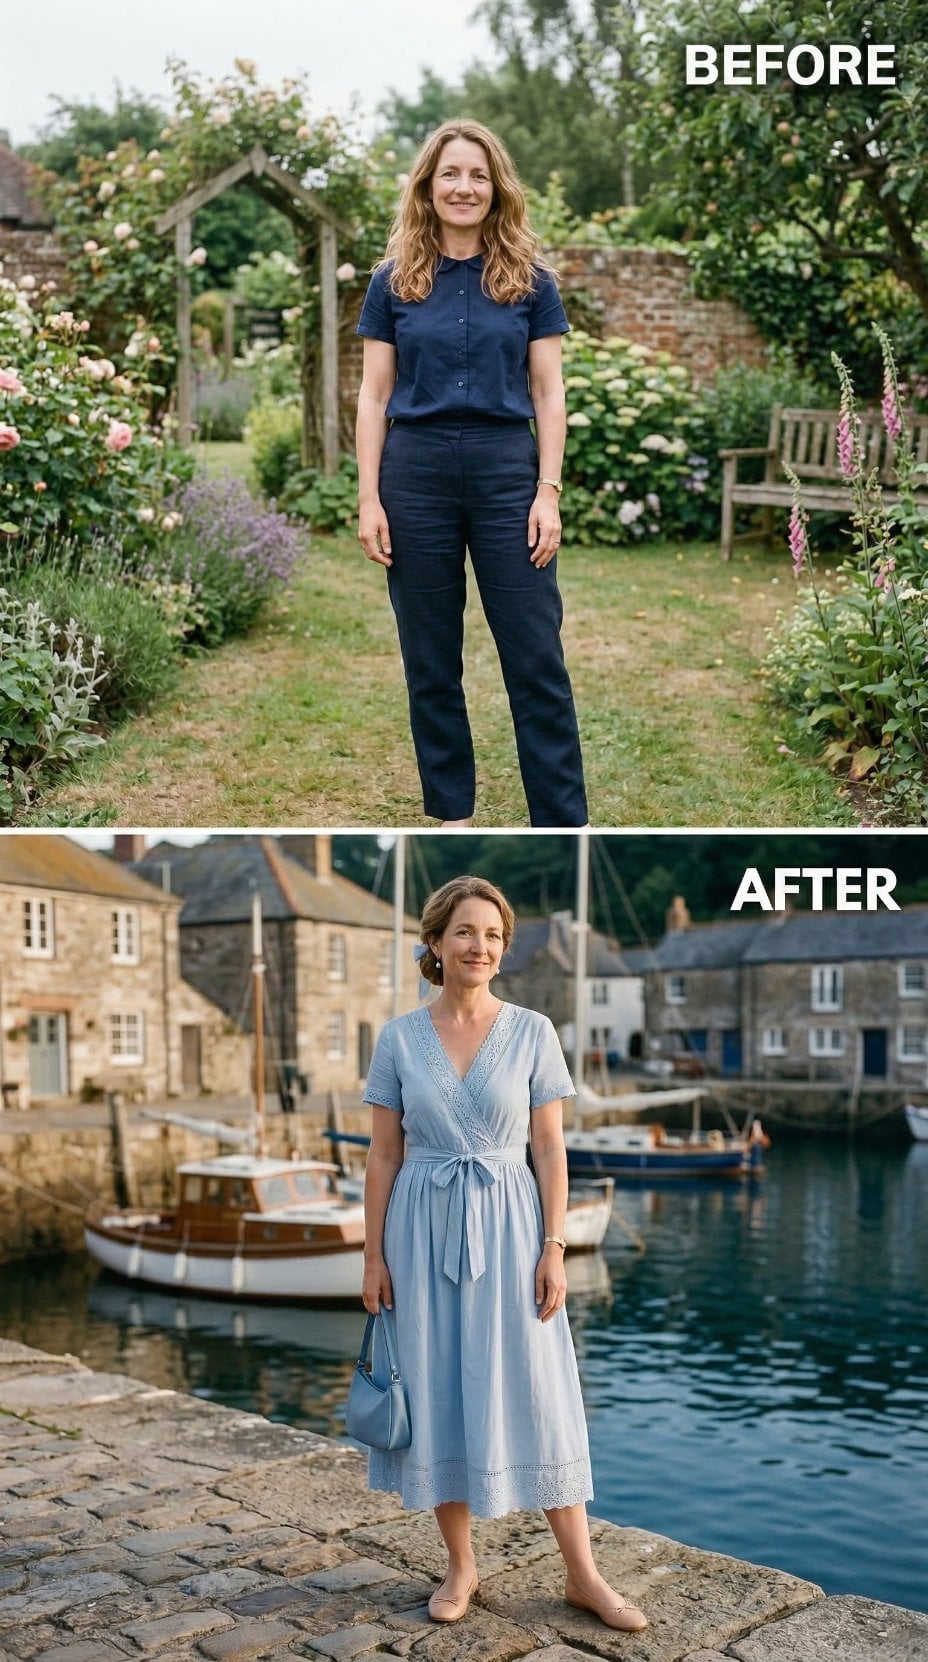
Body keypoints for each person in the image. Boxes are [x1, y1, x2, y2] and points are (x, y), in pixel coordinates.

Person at [360, 875, 647, 1633]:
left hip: (515, 1226)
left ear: (503, 946)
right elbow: (383, 1155)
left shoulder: (532, 1030)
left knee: (541, 1391)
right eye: (463, 932)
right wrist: (372, 1258)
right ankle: (461, 1566)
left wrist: (555, 1246)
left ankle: (584, 1575)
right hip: (418, 1230)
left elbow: (550, 1148)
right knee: (437, 1388)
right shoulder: (397, 1037)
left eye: (491, 934)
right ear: (434, 943)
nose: (478, 946)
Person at [355, 120, 588, 830]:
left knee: (535, 653)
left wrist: (547, 491)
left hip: (504, 472)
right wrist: (369, 496)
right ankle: (451, 815)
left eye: (478, 176)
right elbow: (372, 395)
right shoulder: (392, 282)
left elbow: (549, 393)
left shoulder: (530, 282)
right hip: (415, 473)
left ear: (497, 189)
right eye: (450, 174)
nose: (464, 187)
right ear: (427, 186)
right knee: (430, 657)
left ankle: (563, 819)